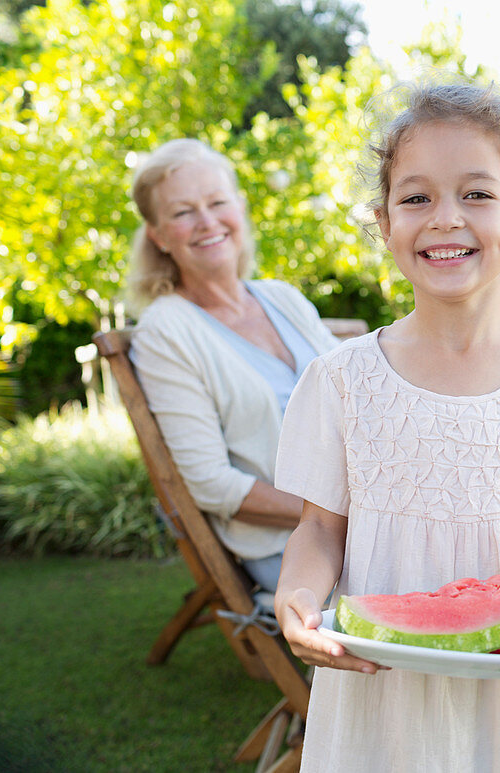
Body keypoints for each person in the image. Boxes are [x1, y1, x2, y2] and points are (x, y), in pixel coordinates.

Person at [272, 81, 500, 772]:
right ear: (385, 222)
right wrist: (296, 599)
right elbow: (320, 529)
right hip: (373, 699)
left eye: (476, 194)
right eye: (416, 197)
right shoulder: (340, 381)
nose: (445, 218)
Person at [127, 138, 341, 593]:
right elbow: (211, 484)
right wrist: (342, 510)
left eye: (218, 202)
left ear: (240, 209)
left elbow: (360, 397)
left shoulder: (282, 297)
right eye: (183, 212)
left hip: (363, 515)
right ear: (159, 235)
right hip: (289, 542)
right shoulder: (165, 331)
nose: (207, 222)